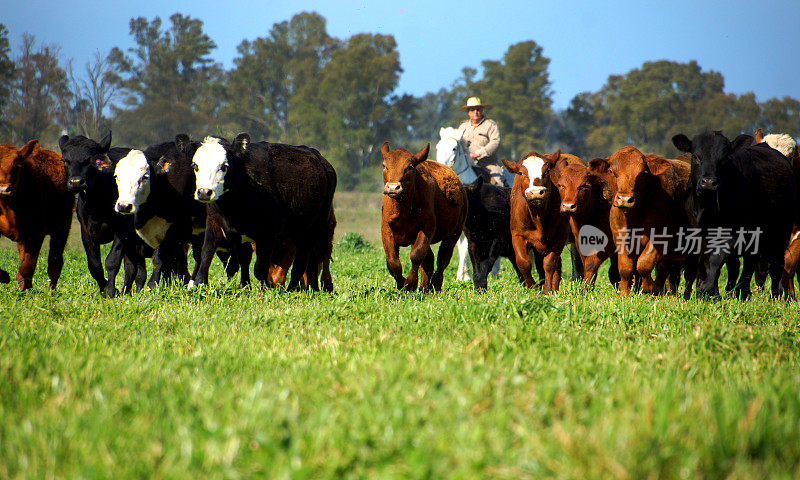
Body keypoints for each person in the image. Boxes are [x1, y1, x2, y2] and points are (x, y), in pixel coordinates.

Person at [458, 96, 504, 186]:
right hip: (467, 165)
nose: (476, 112)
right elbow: (456, 144)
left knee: (498, 184)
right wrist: (463, 141)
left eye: (478, 109)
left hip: (487, 165)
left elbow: (495, 142)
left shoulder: (490, 125)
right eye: (472, 110)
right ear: (468, 112)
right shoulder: (462, 127)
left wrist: (478, 153)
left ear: (482, 110)